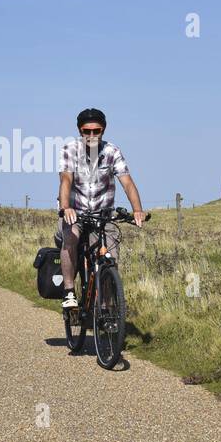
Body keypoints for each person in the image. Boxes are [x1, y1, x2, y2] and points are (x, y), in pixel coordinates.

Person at [56, 108, 145, 309]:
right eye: (87, 131)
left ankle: (106, 306)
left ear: (103, 130)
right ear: (80, 131)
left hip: (102, 214)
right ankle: (69, 291)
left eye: (96, 131)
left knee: (110, 257)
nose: (91, 135)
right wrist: (66, 207)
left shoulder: (112, 152)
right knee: (71, 237)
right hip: (75, 211)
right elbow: (66, 179)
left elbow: (128, 183)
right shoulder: (70, 149)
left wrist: (137, 209)